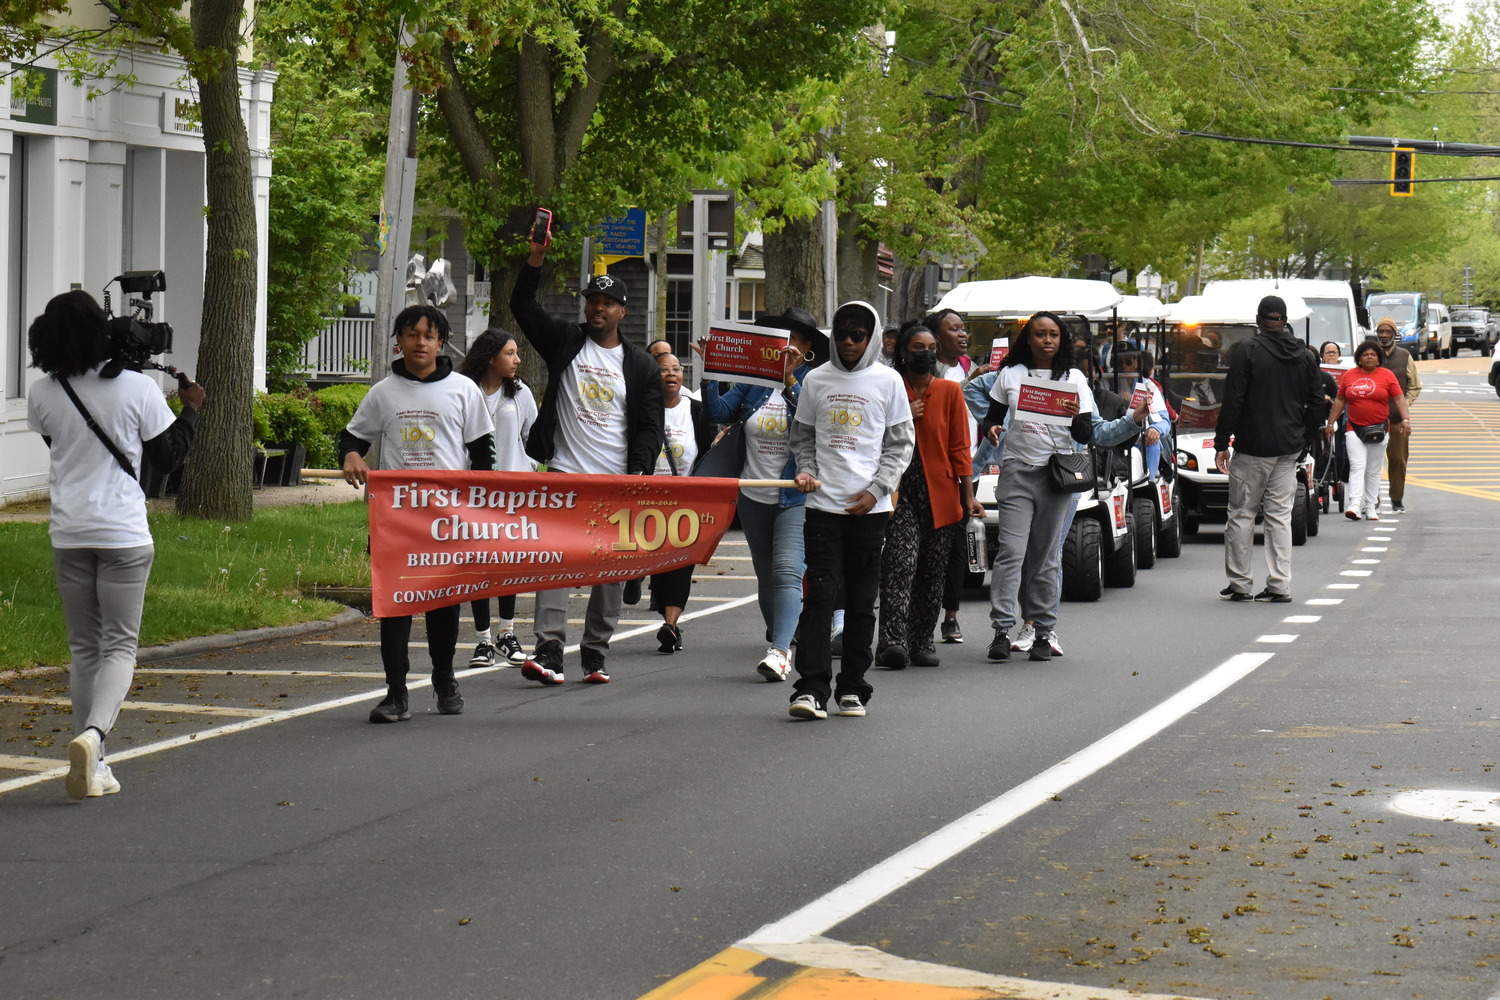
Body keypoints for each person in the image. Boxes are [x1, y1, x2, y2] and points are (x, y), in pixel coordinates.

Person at [26, 291, 204, 799]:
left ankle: (95, 764)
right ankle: (93, 736)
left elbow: (59, 446)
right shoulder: (137, 388)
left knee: (84, 648)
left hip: (69, 531)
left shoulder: (43, 393)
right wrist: (191, 410)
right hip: (123, 532)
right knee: (120, 645)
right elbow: (169, 460)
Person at [510, 230, 664, 685]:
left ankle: (595, 653)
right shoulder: (564, 342)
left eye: (607, 303)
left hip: (614, 481)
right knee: (554, 558)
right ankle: (550, 648)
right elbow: (524, 307)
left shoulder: (640, 365)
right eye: (592, 301)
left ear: (622, 312)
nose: (597, 308)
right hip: (564, 472)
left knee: (609, 569)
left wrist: (638, 472)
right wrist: (535, 258)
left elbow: (650, 426)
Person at [341, 305, 495, 722]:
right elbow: (352, 437)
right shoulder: (383, 392)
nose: (420, 343)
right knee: (394, 606)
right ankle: (395, 694)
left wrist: (480, 510)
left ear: (441, 342)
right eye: (412, 335)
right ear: (400, 341)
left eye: (429, 336)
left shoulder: (464, 390)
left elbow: (483, 455)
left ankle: (445, 679)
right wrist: (353, 454)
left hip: (447, 520)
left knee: (443, 605)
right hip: (394, 520)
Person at [787, 300, 913, 719]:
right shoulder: (816, 380)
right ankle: (810, 689)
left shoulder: (889, 381)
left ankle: (853, 687)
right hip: (822, 507)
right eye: (842, 333)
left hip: (869, 512)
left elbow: (900, 445)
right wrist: (806, 470)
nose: (849, 341)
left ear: (872, 336)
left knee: (861, 602)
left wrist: (877, 491)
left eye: (858, 334)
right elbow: (802, 437)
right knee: (820, 598)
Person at [697, 307, 826, 681]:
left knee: (788, 570)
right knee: (766, 576)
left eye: (795, 341)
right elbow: (717, 413)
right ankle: (784, 633)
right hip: (753, 495)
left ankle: (780, 652)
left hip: (795, 495)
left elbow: (811, 421)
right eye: (780, 339)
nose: (785, 346)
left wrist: (789, 380)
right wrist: (710, 372)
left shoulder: (814, 383)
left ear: (806, 349)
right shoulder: (753, 382)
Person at [979, 312, 1095, 663]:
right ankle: (1001, 629)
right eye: (1040, 334)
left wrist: (1075, 415)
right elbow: (992, 418)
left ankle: (1043, 631)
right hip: (1016, 472)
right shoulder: (1010, 375)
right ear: (1027, 339)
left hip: (1056, 477)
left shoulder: (1074, 378)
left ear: (1062, 340)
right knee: (1011, 552)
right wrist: (992, 431)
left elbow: (1085, 435)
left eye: (1054, 335)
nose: (1047, 340)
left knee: (1046, 557)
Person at [876, 324, 982, 669]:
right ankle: (892, 641)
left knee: (933, 572)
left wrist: (968, 497)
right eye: (918, 347)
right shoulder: (890, 388)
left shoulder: (951, 391)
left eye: (932, 347)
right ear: (903, 353)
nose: (927, 353)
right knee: (900, 564)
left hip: (941, 492)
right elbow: (870, 435)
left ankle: (921, 639)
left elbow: (960, 447)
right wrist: (906, 413)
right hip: (898, 489)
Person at [1212, 295, 1322, 604]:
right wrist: (1306, 440)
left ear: (1259, 320)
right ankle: (1279, 584)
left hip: (1252, 445)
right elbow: (1317, 403)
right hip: (1289, 447)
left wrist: (1223, 443)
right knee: (1279, 517)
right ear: (1285, 321)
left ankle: (1239, 583)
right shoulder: (1304, 356)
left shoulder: (1248, 351)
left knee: (1242, 514)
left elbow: (1232, 401)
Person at [459, 328, 538, 668]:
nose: (517, 359)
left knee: (507, 564)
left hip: (511, 497)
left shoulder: (520, 394)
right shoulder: (464, 391)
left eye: (517, 353)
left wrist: (523, 470)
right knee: (478, 567)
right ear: (490, 356)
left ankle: (507, 633)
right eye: (510, 353)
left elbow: (531, 439)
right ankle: (483, 641)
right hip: (473, 495)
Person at [648, 352, 714, 652]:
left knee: (681, 562)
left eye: (676, 369)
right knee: (659, 566)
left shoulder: (697, 411)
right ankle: (668, 619)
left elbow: (709, 453)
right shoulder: (644, 409)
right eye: (664, 370)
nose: (671, 374)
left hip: (687, 500)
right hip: (648, 501)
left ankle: (671, 625)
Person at [924, 308, 979, 645]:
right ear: (936, 336)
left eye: (963, 328)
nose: (962, 335)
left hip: (962, 467)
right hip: (930, 468)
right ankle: (920, 616)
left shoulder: (965, 368)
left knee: (957, 546)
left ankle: (951, 617)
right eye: (953, 329)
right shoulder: (928, 371)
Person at [1326, 339, 1411, 521]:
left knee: (1373, 469)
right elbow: (1340, 400)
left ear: (1379, 358)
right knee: (1357, 466)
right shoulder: (1350, 375)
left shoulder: (1387, 375)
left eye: (1373, 354)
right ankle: (1355, 504)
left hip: (1379, 429)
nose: (1369, 357)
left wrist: (1405, 420)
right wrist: (1331, 423)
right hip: (1353, 427)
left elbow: (1399, 399)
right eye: (1365, 354)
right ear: (1359, 358)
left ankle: (1371, 506)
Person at [1374, 317, 1421, 512]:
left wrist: (1404, 406)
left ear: (1394, 334)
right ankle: (1372, 499)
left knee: (1398, 460)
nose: (1384, 335)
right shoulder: (1369, 353)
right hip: (1373, 419)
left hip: (1396, 420)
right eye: (1381, 331)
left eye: (1388, 332)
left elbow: (1415, 386)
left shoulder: (1404, 356)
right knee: (1372, 462)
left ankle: (1396, 499)